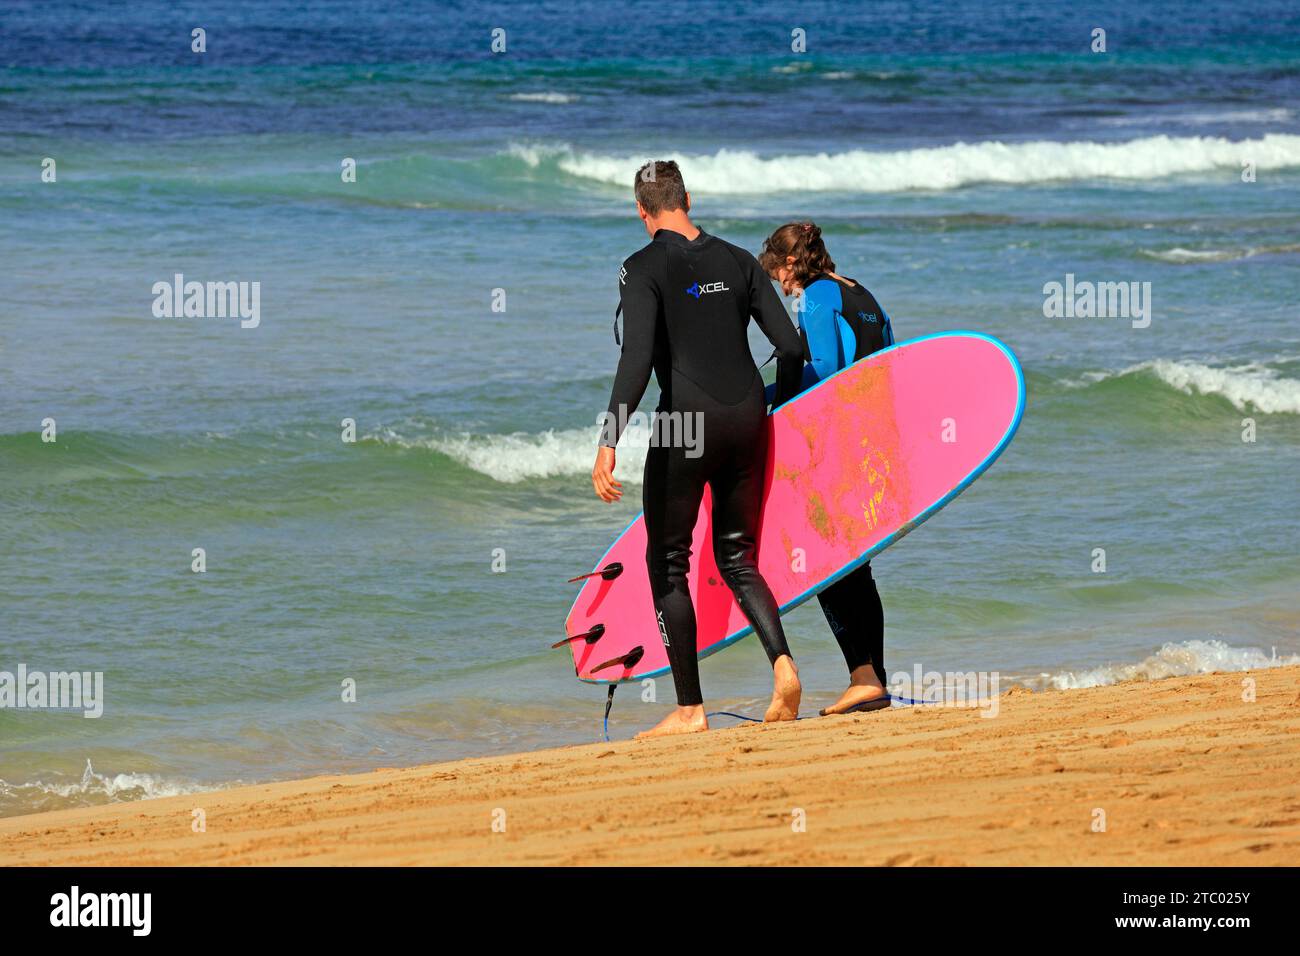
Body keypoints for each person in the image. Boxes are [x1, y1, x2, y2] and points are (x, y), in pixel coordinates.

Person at [590, 161, 805, 737]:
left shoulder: (641, 268)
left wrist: (609, 440)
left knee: (666, 561)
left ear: (642, 211)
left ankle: (690, 710)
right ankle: (783, 665)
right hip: (747, 419)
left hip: (685, 423)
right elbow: (788, 343)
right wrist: (772, 410)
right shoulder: (737, 260)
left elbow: (636, 362)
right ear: (688, 196)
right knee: (737, 557)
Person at [758, 221, 896, 715]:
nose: (781, 288)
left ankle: (862, 674)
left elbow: (825, 376)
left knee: (829, 564)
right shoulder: (862, 293)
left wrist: (765, 398)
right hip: (875, 444)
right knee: (859, 565)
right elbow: (890, 364)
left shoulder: (816, 297)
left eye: (777, 277)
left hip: (837, 448)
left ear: (790, 265)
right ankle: (872, 678)